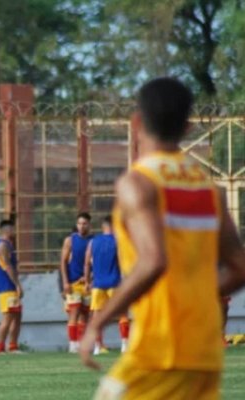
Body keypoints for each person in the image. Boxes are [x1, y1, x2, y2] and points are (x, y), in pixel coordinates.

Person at [79, 77, 245, 399]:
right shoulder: (209, 189)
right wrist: (195, 294)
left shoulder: (138, 183)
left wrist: (99, 319)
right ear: (187, 128)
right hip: (205, 349)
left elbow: (153, 260)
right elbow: (239, 267)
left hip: (160, 345)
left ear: (136, 122)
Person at [84, 215, 129, 355]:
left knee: (96, 316)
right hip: (114, 283)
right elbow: (123, 261)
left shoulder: (93, 242)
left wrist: (87, 281)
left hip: (97, 284)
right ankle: (124, 345)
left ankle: (97, 347)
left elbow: (86, 263)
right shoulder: (118, 241)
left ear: (103, 227)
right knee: (122, 314)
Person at [60, 212, 93, 353]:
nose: (81, 226)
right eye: (79, 223)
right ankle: (72, 344)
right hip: (73, 283)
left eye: (84, 223)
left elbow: (96, 263)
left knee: (85, 314)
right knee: (74, 312)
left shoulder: (93, 241)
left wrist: (89, 277)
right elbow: (63, 262)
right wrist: (65, 282)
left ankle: (82, 344)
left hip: (87, 283)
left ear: (89, 225)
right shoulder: (70, 240)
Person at [0, 219, 23, 353]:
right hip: (6, 287)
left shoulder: (8, 245)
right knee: (8, 317)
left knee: (16, 316)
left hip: (9, 287)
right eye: (13, 229)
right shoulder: (2, 246)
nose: (15, 231)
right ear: (8, 230)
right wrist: (17, 284)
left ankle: (13, 346)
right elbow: (7, 267)